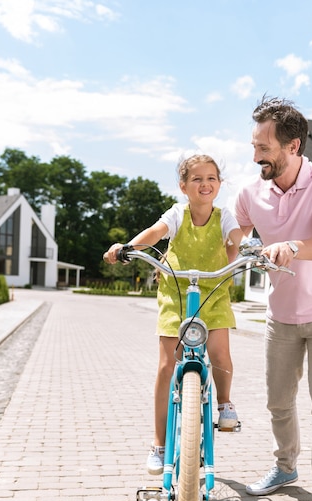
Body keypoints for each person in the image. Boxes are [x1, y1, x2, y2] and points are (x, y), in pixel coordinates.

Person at [234, 96, 312, 501]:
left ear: (293, 146)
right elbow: (232, 241)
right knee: (278, 403)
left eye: (263, 148)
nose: (255, 156)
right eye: (254, 146)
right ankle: (285, 467)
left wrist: (294, 246)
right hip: (281, 315)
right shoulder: (250, 192)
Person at [104, 154, 244, 475]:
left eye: (211, 178)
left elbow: (237, 238)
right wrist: (129, 247)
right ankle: (159, 444)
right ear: (184, 186)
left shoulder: (224, 217)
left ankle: (224, 403)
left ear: (219, 185)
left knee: (220, 353)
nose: (204, 184)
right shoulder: (178, 214)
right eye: (196, 179)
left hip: (212, 293)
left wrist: (248, 249)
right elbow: (156, 232)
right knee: (168, 366)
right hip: (177, 296)